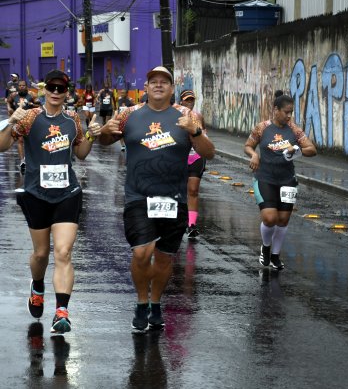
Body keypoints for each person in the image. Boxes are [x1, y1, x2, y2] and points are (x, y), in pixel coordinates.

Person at [99, 66, 215, 333]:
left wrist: (195, 132)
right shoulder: (129, 115)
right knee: (142, 252)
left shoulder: (187, 116)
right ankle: (141, 303)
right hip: (138, 196)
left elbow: (209, 153)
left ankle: (155, 303)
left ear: (172, 89)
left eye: (165, 82)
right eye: (154, 81)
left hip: (174, 198)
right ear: (146, 88)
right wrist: (105, 130)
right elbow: (106, 140)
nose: (159, 85)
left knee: (164, 259)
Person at [0, 69, 102, 334]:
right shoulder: (31, 117)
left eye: (61, 88)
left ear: (67, 92)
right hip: (36, 194)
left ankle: (61, 313)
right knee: (41, 254)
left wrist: (91, 134)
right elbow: (1, 146)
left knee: (63, 252)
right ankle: (37, 284)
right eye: (52, 88)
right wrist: (11, 122)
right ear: (45, 90)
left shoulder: (73, 120)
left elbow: (80, 154)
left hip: (67, 193)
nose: (56, 92)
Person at [244, 92, 317, 270]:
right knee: (270, 218)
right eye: (286, 112)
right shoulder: (262, 128)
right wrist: (254, 155)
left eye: (291, 112)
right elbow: (247, 146)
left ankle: (275, 256)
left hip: (287, 180)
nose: (289, 116)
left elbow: (312, 149)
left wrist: (297, 148)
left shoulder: (294, 130)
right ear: (275, 110)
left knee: (283, 220)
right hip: (265, 178)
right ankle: (266, 248)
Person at [179, 89, 207, 239]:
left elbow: (204, 137)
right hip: (180, 158)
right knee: (179, 190)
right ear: (181, 101)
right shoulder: (175, 116)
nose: (190, 103)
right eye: (187, 100)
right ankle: (178, 220)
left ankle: (191, 225)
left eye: (192, 100)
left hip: (196, 157)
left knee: (193, 190)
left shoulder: (198, 117)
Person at [7, 79, 40, 173]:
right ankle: (22, 161)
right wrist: (10, 111)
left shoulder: (32, 95)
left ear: (26, 86)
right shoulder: (13, 95)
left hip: (31, 121)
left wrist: (31, 104)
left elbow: (39, 106)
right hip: (19, 121)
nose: (22, 87)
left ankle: (31, 159)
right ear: (18, 87)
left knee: (31, 141)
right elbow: (8, 103)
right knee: (20, 140)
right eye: (20, 85)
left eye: (23, 85)